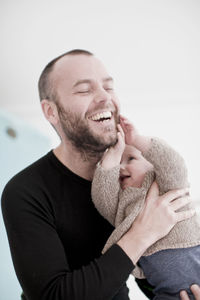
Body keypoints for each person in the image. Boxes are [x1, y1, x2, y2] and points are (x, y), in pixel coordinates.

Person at [1, 49, 200, 300]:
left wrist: (183, 288)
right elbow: (52, 296)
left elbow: (149, 269)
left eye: (109, 87)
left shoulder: (136, 178)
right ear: (51, 111)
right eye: (84, 90)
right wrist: (143, 232)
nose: (105, 98)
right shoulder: (25, 191)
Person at [91, 117, 200, 299]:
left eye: (131, 158)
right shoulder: (122, 206)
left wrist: (137, 140)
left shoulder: (167, 185)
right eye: (118, 162)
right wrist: (111, 156)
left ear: (153, 164)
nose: (121, 167)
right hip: (167, 293)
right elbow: (102, 197)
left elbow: (172, 164)